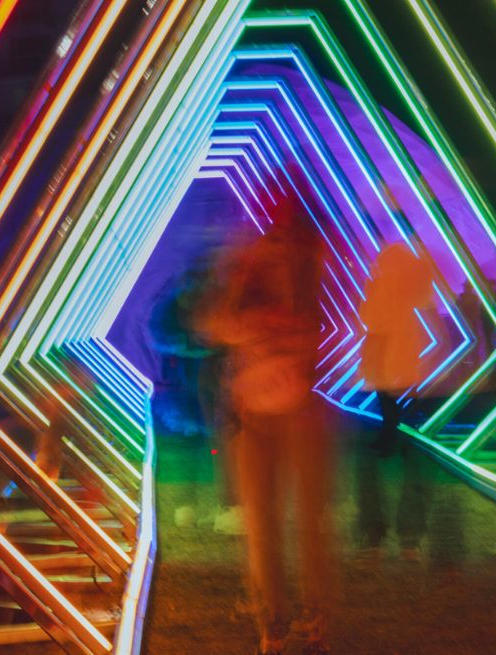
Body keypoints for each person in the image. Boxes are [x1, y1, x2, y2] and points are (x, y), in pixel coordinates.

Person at [197, 192, 334, 655]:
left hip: (296, 409)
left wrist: (270, 324)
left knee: (306, 525)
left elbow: (313, 333)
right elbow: (213, 325)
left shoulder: (310, 264)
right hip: (253, 411)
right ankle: (275, 622)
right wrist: (243, 294)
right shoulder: (247, 262)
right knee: (263, 525)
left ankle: (309, 620)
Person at [355, 242, 437, 561]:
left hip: (380, 382)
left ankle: (373, 534)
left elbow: (370, 320)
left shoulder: (380, 289)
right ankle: (409, 539)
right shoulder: (417, 291)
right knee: (414, 459)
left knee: (369, 458)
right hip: (411, 381)